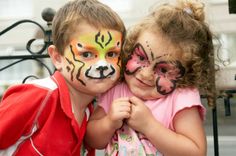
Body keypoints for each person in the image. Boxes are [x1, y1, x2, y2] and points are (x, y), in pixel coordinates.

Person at [85, 0, 215, 155]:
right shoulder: (116, 90)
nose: (146, 74)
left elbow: (196, 152)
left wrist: (149, 125)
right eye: (141, 58)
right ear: (129, 50)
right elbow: (91, 140)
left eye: (164, 69)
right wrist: (109, 122)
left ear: (186, 74)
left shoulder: (181, 98)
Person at [0, 0, 126, 155]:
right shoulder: (38, 96)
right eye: (86, 54)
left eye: (111, 54)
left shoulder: (92, 112)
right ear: (57, 58)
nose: (102, 64)